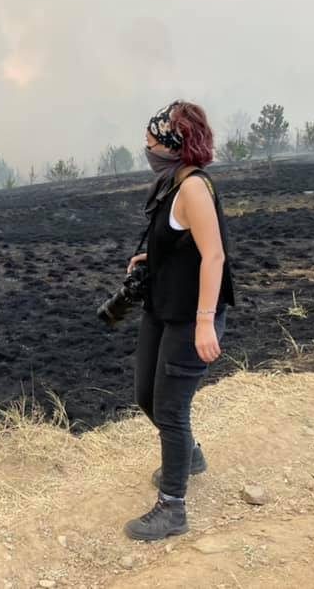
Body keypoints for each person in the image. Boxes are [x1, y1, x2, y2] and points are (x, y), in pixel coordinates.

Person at [123, 100, 236, 541]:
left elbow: (214, 255)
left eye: (152, 140)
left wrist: (206, 321)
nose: (147, 146)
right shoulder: (172, 183)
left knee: (170, 409)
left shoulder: (193, 189)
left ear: (172, 145)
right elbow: (183, 241)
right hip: (164, 305)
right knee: (145, 395)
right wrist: (154, 255)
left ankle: (173, 509)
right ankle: (191, 456)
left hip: (191, 317)